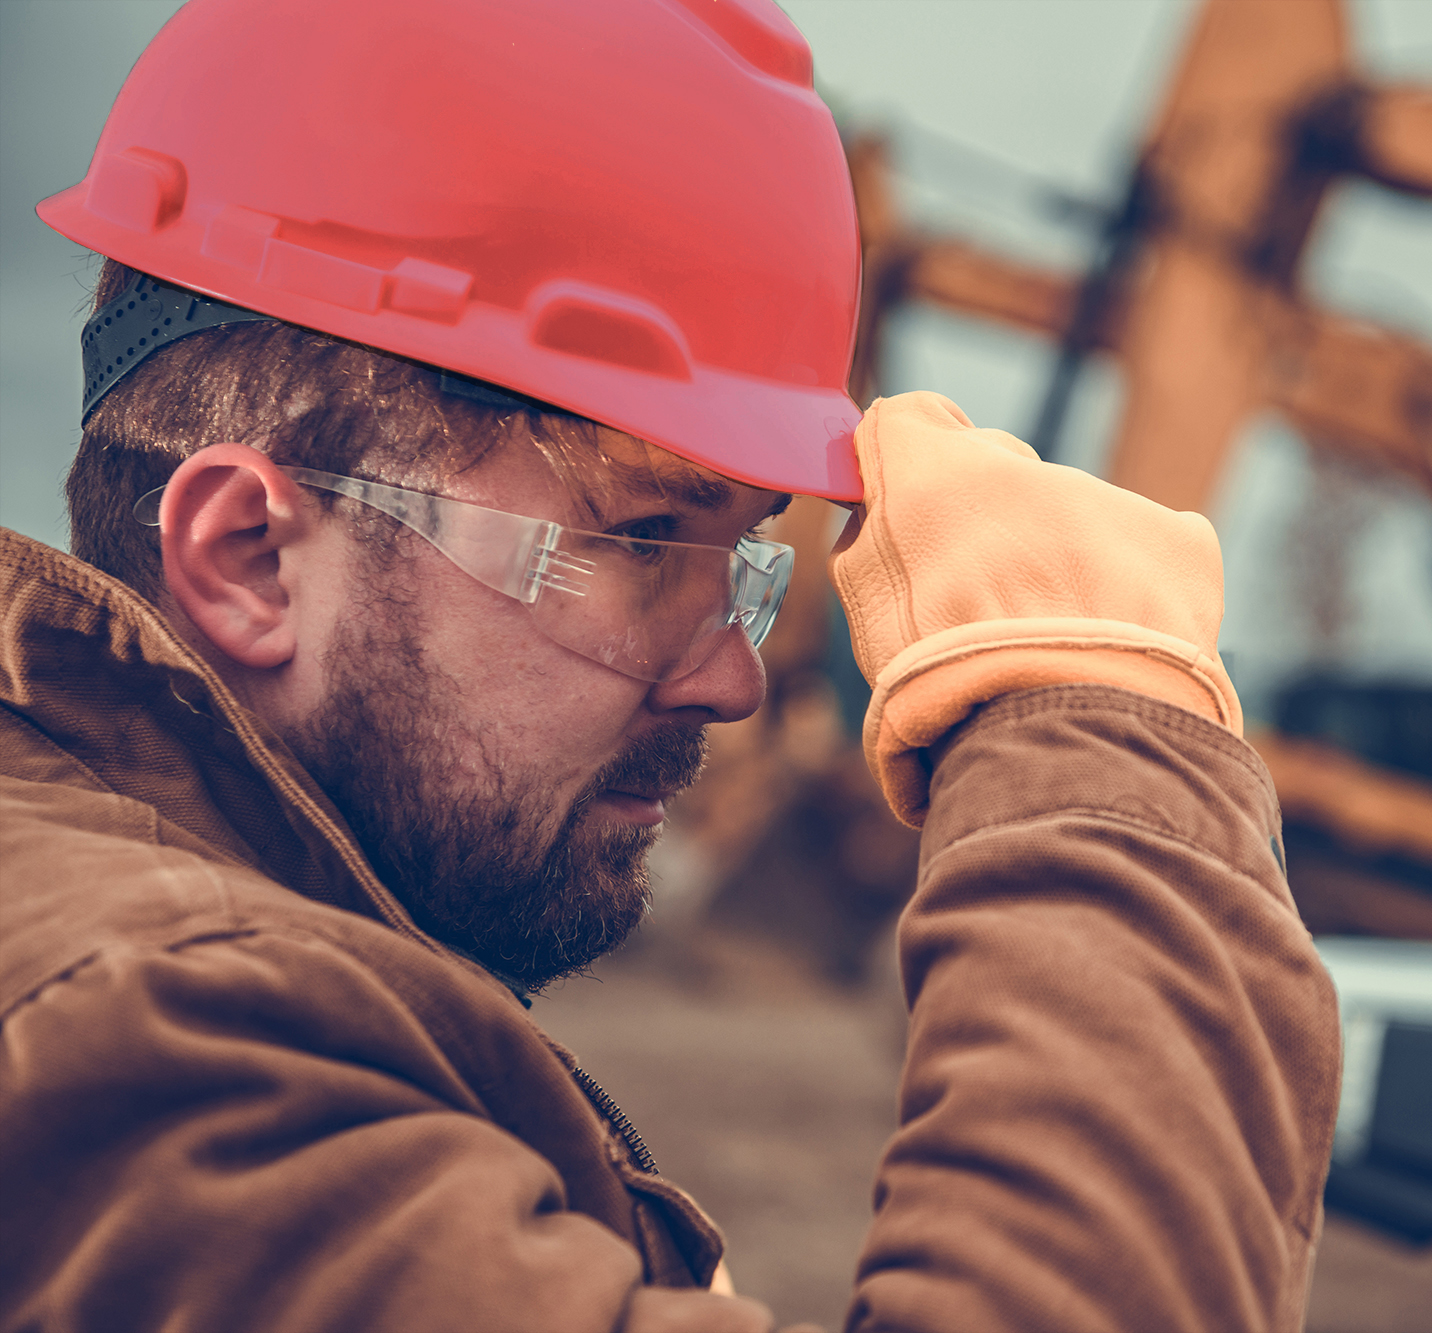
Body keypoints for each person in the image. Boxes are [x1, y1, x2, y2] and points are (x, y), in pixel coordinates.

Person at [0, 1, 1339, 1330]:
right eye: (639, 541)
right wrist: (1101, 730)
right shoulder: (153, 1050)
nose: (731, 681)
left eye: (741, 563)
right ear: (249, 557)